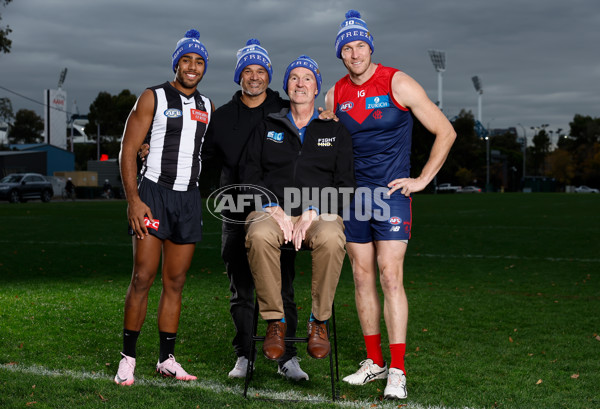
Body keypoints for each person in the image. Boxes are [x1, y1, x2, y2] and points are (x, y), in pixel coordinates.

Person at [325, 10, 457, 400]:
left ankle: (397, 370)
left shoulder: (398, 81)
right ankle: (373, 363)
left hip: (390, 196)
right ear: (341, 54)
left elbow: (445, 131)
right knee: (361, 277)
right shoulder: (334, 93)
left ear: (370, 47)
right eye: (347, 48)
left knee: (388, 275)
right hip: (352, 199)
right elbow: (323, 146)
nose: (354, 53)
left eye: (360, 45)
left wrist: (422, 180)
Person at [201, 39, 313, 381]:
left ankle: (288, 356)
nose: (254, 77)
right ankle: (245, 354)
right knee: (242, 288)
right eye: (247, 71)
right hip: (237, 211)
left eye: (261, 71)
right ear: (239, 76)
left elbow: (312, 127)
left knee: (283, 285)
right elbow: (204, 163)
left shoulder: (284, 108)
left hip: (279, 212)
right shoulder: (221, 119)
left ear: (268, 75)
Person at [114, 29, 214, 386]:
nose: (192, 66)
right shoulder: (152, 97)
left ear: (204, 67)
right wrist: (134, 199)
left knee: (176, 281)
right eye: (186, 59)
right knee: (143, 276)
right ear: (176, 63)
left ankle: (166, 359)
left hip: (187, 199)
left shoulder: (207, 106)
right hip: (153, 195)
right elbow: (128, 149)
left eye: (199, 61)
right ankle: (128, 358)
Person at [242, 56, 355, 363]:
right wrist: (271, 206)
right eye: (294, 78)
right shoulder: (267, 126)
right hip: (272, 210)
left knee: (333, 237)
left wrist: (314, 211)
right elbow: (249, 174)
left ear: (316, 87)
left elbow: (345, 184)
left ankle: (318, 322)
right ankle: (275, 321)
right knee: (260, 232)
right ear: (286, 86)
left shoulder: (334, 130)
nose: (301, 83)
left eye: (307, 78)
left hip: (318, 215)